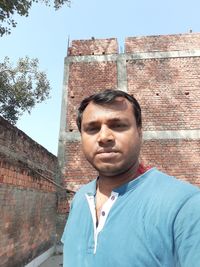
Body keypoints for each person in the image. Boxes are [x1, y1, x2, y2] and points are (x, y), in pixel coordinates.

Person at [61, 89, 200, 267]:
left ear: (139, 132)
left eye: (118, 125)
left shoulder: (186, 205)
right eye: (92, 129)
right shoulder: (80, 198)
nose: (104, 137)